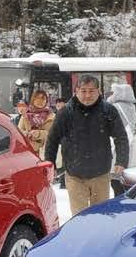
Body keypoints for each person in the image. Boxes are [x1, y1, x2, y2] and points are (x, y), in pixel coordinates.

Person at [44, 74, 129, 213]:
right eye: (83, 91)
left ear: (99, 91)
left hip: (101, 173)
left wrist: (122, 160)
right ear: (76, 91)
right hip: (74, 174)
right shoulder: (66, 112)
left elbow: (121, 137)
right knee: (79, 216)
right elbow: (52, 139)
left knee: (100, 215)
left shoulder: (108, 111)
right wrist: (50, 163)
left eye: (91, 91)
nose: (87, 95)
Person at [18, 89, 55, 157]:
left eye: (43, 98)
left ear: (46, 101)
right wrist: (27, 134)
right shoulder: (25, 115)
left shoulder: (52, 116)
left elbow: (55, 134)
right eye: (37, 98)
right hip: (28, 153)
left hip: (46, 153)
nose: (40, 101)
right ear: (33, 100)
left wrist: (39, 134)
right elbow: (18, 132)